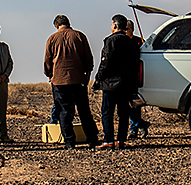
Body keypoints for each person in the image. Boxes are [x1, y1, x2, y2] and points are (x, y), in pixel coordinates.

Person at [43, 15, 99, 149]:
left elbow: (47, 60)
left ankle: (69, 141)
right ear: (68, 23)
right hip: (78, 79)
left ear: (56, 26)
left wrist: (49, 75)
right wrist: (87, 74)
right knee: (84, 110)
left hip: (59, 81)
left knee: (64, 111)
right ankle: (92, 139)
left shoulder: (52, 38)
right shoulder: (79, 36)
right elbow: (88, 58)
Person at [93, 14, 141, 149]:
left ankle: (108, 140)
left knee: (107, 113)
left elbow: (105, 62)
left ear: (114, 25)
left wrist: (98, 78)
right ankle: (121, 140)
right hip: (126, 83)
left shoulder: (110, 41)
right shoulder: (132, 43)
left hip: (110, 84)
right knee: (123, 113)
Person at [125, 19, 150, 139]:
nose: (125, 31)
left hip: (136, 76)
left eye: (127, 29)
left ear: (132, 29)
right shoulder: (122, 41)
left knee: (135, 104)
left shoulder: (139, 42)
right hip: (124, 76)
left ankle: (134, 128)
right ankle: (140, 125)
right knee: (126, 105)